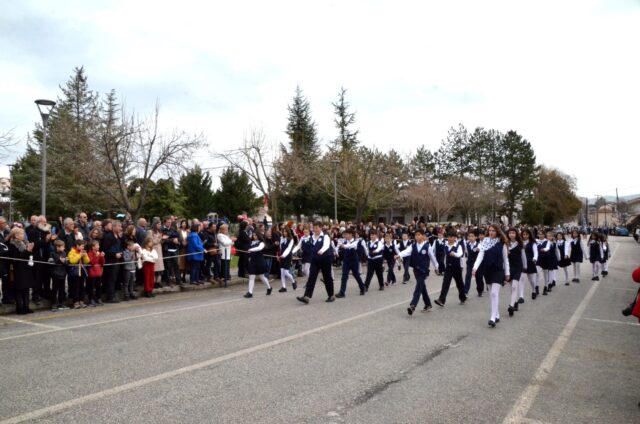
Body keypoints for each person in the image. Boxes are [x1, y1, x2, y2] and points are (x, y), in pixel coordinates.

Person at [472, 224, 510, 328]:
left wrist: (507, 273)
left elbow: (505, 259)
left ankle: (492, 318)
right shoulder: (485, 241)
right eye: (490, 230)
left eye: (493, 230)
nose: (491, 232)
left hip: (498, 270)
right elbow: (480, 256)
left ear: (497, 232)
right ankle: (496, 314)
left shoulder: (502, 243)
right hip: (487, 270)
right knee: (491, 294)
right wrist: (475, 268)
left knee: (494, 293)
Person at [396, 229, 437, 315]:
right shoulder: (413, 246)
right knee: (422, 287)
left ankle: (413, 305)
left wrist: (436, 267)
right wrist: (399, 255)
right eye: (416, 235)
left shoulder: (427, 246)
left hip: (424, 270)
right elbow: (406, 252)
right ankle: (428, 304)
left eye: (419, 235)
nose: (417, 236)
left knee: (418, 288)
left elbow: (433, 258)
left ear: (423, 236)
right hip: (416, 270)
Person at [296, 221, 335, 304]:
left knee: (327, 277)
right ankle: (306, 296)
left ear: (321, 228)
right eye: (314, 228)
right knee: (311, 277)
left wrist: (322, 250)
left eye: (317, 228)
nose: (315, 229)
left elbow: (326, 245)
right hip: (315, 260)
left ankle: (331, 295)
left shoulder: (325, 236)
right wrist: (293, 251)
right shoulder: (311, 237)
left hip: (325, 259)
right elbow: (301, 245)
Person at [434, 230, 467, 307]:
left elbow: (460, 254)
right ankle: (441, 300)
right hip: (448, 268)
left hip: (457, 268)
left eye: (451, 237)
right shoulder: (445, 245)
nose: (449, 238)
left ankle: (462, 297)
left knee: (459, 284)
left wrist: (454, 254)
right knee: (445, 283)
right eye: (448, 237)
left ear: (455, 238)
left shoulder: (458, 246)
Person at [8, 227, 35, 315]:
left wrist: (30, 251)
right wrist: (27, 251)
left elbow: (27, 255)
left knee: (26, 289)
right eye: (22, 234)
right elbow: (16, 259)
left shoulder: (24, 243)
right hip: (18, 269)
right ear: (16, 235)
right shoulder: (12, 245)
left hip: (26, 268)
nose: (23, 235)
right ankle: (19, 308)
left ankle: (26, 306)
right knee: (19, 289)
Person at [336, 228, 366, 298]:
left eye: (346, 234)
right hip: (346, 261)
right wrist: (336, 251)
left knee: (356, 275)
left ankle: (362, 287)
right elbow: (337, 247)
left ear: (351, 235)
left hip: (354, 261)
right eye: (345, 234)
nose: (345, 236)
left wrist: (343, 246)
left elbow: (351, 246)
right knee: (344, 276)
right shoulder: (345, 241)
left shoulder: (355, 242)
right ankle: (342, 292)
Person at [244, 232, 272, 298]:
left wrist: (251, 249)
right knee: (251, 277)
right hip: (252, 261)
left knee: (262, 277)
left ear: (259, 235)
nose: (254, 236)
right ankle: (250, 292)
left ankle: (269, 287)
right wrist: (249, 255)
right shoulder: (252, 243)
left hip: (260, 262)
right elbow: (249, 252)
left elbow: (259, 248)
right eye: (253, 235)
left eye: (255, 235)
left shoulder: (262, 243)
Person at [101, 220, 124, 303]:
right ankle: (110, 297)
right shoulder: (108, 237)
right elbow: (105, 249)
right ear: (114, 227)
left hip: (117, 261)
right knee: (110, 279)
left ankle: (113, 295)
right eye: (119, 226)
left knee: (114, 279)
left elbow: (120, 246)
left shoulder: (118, 236)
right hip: (110, 261)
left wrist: (120, 253)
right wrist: (114, 254)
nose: (121, 228)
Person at [506, 228, 526, 317]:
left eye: (513, 233)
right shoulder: (505, 244)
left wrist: (525, 266)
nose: (511, 234)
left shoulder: (520, 244)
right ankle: (515, 302)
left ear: (516, 234)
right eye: (510, 233)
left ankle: (511, 306)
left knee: (514, 286)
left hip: (518, 267)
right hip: (509, 267)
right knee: (511, 287)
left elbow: (523, 256)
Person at [67, 239, 90, 309]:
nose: (83, 247)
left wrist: (85, 255)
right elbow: (72, 261)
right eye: (82, 246)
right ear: (77, 245)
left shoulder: (82, 251)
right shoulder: (72, 252)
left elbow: (87, 261)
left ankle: (82, 301)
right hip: (75, 273)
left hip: (82, 272)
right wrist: (79, 255)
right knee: (75, 287)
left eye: (83, 246)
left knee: (82, 287)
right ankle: (75, 302)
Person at [49, 240, 69, 311]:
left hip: (63, 274)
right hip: (55, 274)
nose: (64, 248)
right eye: (62, 247)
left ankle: (61, 303)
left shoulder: (64, 253)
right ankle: (53, 304)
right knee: (55, 289)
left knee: (62, 289)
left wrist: (64, 262)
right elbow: (50, 263)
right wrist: (59, 260)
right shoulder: (52, 253)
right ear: (57, 247)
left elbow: (67, 262)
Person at [521, 228, 539, 301]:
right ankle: (521, 296)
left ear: (529, 235)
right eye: (523, 234)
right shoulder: (520, 242)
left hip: (530, 262)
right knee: (521, 279)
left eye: (526, 234)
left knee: (531, 280)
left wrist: (535, 258)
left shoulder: (533, 243)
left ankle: (534, 290)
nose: (525, 236)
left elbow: (536, 252)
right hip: (521, 263)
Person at [86, 240, 105, 306]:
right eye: (97, 245)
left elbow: (102, 263)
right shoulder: (89, 253)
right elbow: (92, 263)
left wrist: (102, 256)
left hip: (98, 273)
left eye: (98, 245)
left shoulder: (98, 253)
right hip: (92, 273)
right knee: (91, 287)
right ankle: (91, 299)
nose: (99, 246)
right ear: (93, 247)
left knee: (99, 287)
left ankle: (98, 298)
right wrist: (96, 256)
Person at [464, 231, 480, 296]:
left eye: (472, 236)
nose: (470, 238)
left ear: (476, 237)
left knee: (478, 277)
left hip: (477, 263)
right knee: (468, 276)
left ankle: (480, 290)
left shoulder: (479, 244)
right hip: (470, 263)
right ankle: (465, 291)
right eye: (469, 236)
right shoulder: (467, 244)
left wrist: (478, 249)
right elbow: (466, 253)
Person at [217, 224, 233, 288]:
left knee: (227, 265)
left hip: (228, 252)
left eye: (227, 229)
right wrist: (231, 240)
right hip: (223, 252)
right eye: (226, 229)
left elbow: (230, 243)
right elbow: (225, 243)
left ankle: (226, 276)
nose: (227, 231)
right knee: (224, 265)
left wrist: (230, 241)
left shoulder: (226, 236)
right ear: (222, 230)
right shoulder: (220, 235)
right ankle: (223, 277)